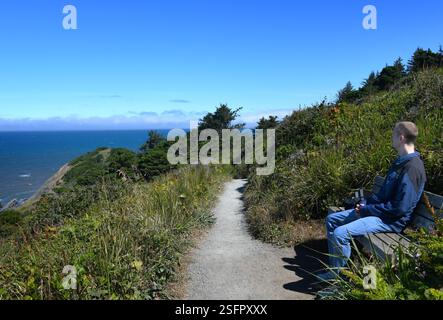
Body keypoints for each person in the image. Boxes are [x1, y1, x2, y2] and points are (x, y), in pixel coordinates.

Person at [317, 121, 427, 281]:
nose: (391, 137)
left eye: (393, 134)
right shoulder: (400, 162)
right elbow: (383, 195)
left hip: (391, 221)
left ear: (401, 138)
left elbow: (400, 208)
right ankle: (338, 267)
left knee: (340, 234)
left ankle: (337, 279)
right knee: (332, 219)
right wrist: (365, 203)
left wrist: (366, 210)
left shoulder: (412, 168)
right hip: (380, 213)